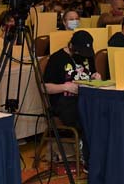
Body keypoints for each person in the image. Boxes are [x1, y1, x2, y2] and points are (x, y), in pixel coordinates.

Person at [43, 30, 100, 167]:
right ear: (71, 47)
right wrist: (65, 87)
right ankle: (89, 158)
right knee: (87, 117)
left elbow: (92, 74)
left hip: (87, 98)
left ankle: (100, 155)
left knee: (103, 113)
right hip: (65, 102)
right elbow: (45, 87)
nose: (83, 56)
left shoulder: (88, 56)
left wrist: (96, 76)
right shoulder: (57, 58)